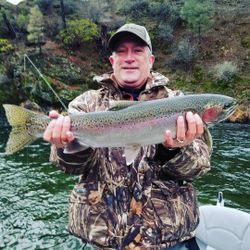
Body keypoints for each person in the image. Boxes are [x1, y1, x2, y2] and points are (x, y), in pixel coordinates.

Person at [43, 23, 212, 250]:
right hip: (103, 239)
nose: (129, 57)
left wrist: (173, 150)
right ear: (113, 62)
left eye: (137, 51)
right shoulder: (86, 105)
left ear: (151, 60)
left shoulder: (179, 103)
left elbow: (199, 167)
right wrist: (65, 144)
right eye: (121, 51)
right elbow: (69, 167)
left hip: (169, 240)